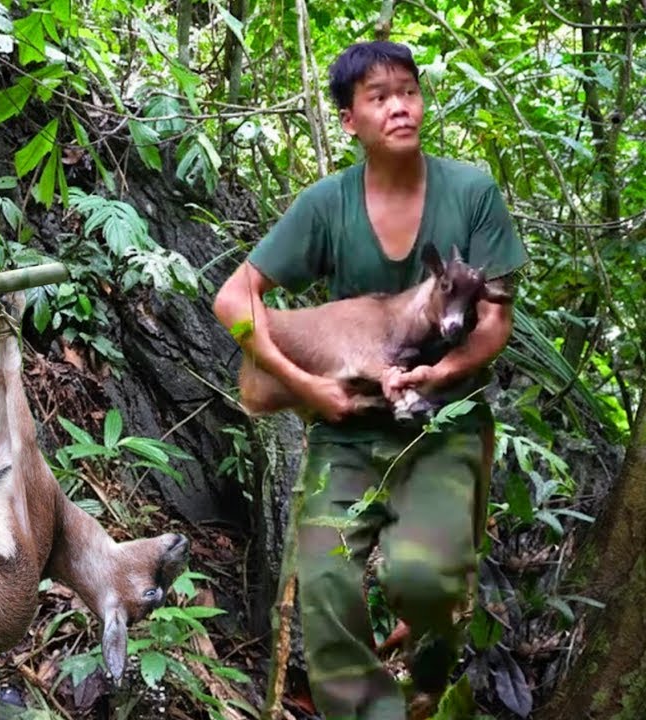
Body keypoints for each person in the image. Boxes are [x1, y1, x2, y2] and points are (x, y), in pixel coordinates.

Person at [211, 41, 528, 719]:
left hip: (444, 428)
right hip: (348, 430)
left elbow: (496, 321)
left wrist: (443, 369)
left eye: (408, 92)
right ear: (349, 120)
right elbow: (234, 301)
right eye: (379, 97)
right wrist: (305, 384)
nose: (399, 107)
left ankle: (431, 669)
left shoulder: (469, 193)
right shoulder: (327, 205)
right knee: (325, 590)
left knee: (424, 579)